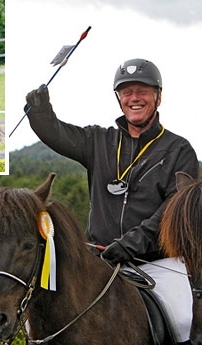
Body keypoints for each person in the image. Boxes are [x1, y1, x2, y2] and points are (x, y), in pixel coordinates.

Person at [24, 58, 198, 345]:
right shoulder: (98, 140)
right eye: (126, 92)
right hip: (100, 261)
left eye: (142, 91)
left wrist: (131, 244)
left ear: (158, 96)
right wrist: (40, 112)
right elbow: (58, 134)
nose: (134, 98)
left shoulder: (179, 150)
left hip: (156, 262)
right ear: (119, 99)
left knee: (184, 321)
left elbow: (172, 210)